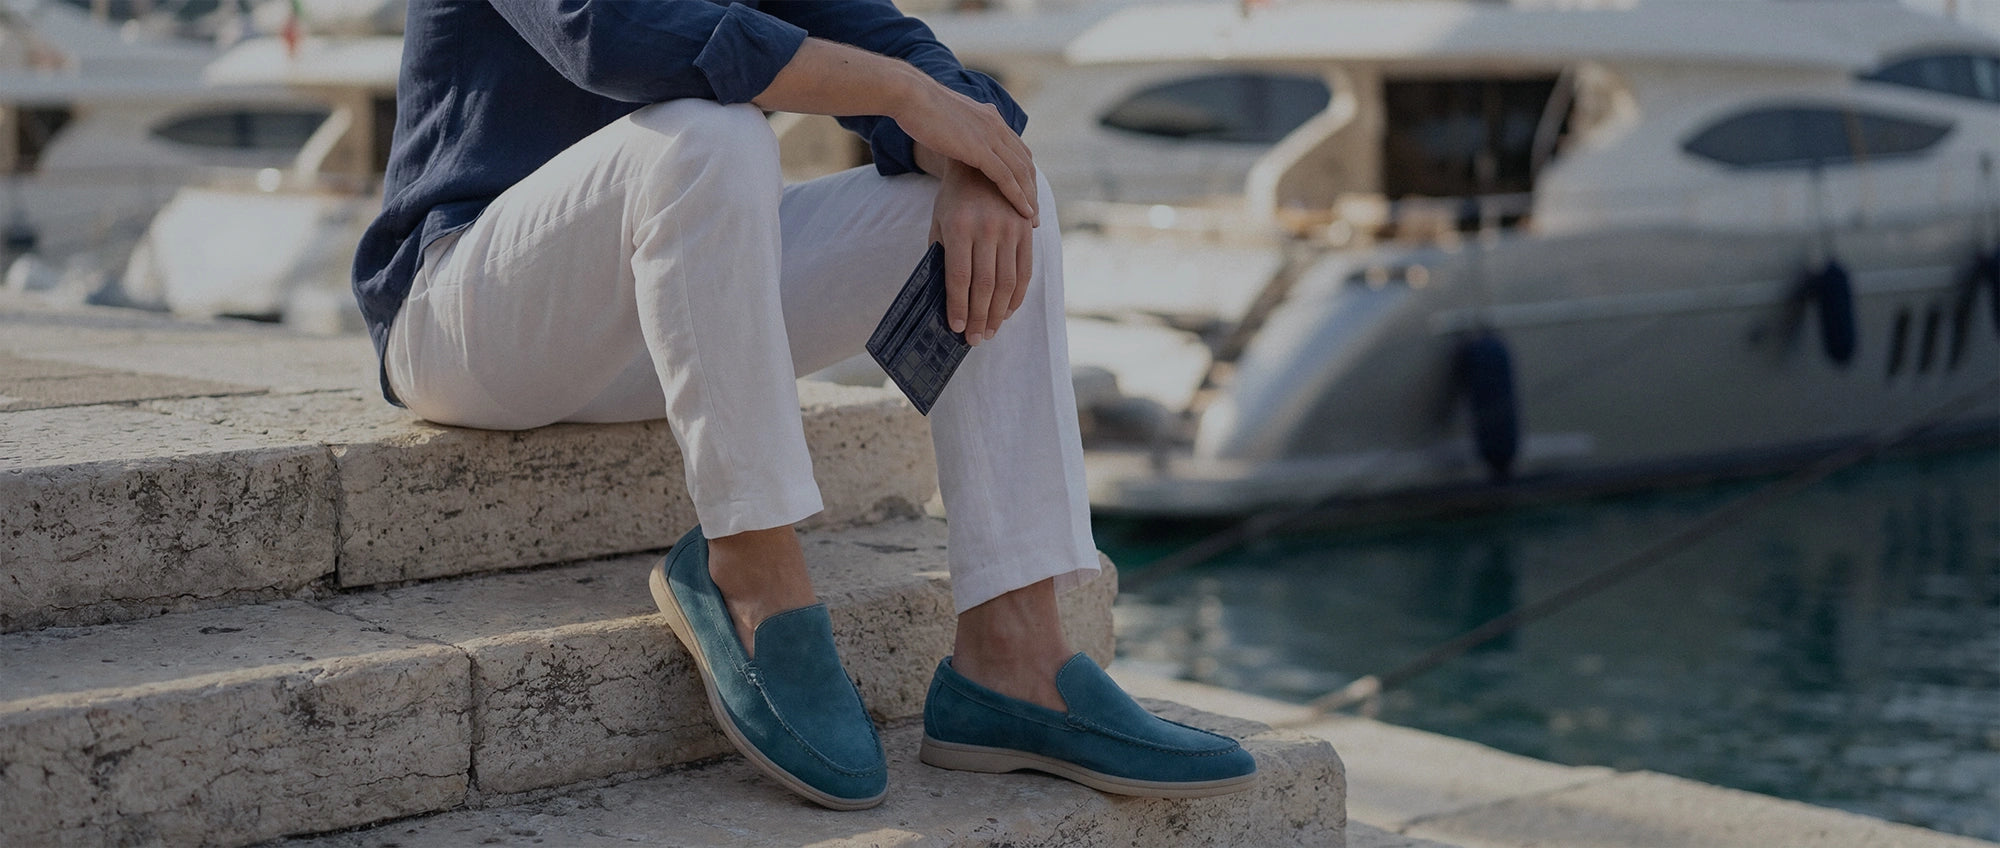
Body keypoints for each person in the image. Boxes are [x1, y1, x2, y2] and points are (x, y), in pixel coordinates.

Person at [354, 0, 1257, 810]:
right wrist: (902, 95)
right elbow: (609, 31)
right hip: (464, 314)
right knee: (713, 133)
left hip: (658, 324)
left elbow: (894, 42)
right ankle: (751, 570)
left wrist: (965, 148)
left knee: (1008, 187)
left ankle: (1014, 655)